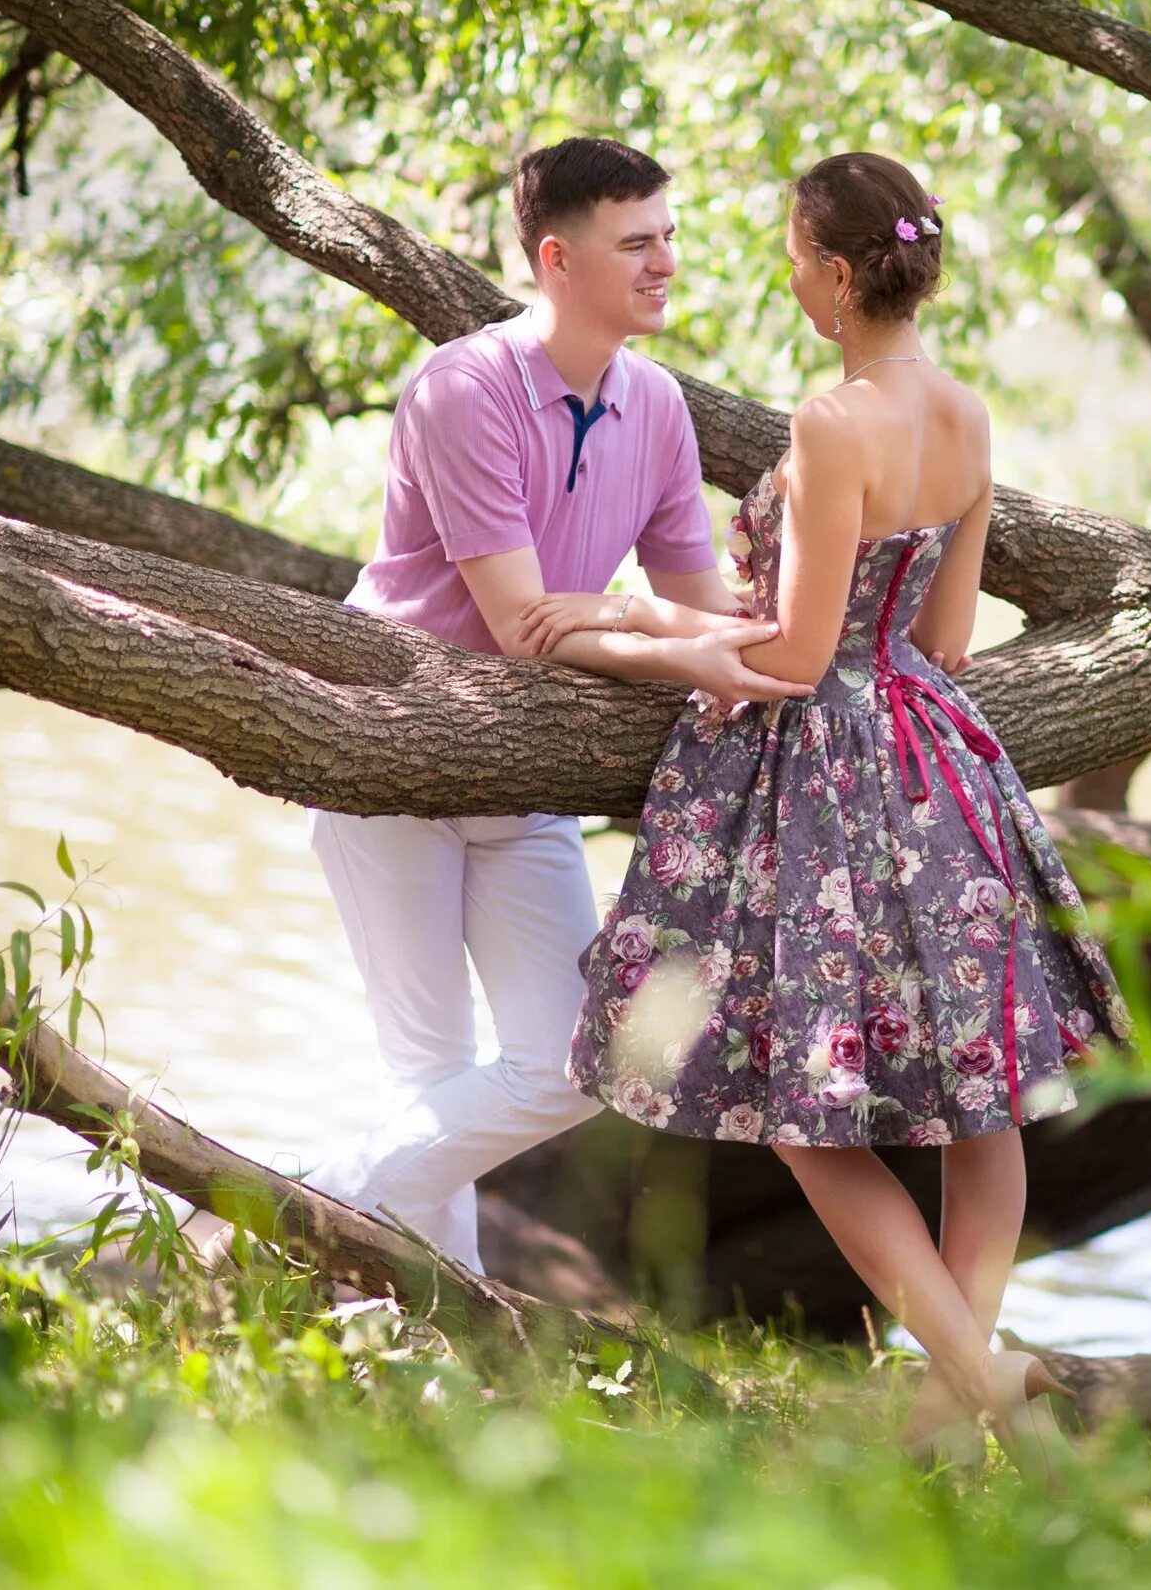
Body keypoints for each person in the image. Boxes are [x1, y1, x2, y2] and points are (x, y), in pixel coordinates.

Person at [552, 151, 1131, 1462]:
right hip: (942, 758)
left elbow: (799, 658)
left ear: (837, 270)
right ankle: (958, 1402)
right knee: (983, 1102)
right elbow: (949, 636)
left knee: (805, 1109)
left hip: (823, 774)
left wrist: (638, 612)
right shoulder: (968, 414)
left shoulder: (828, 423)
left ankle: (974, 1381)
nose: (788, 271)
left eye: (795, 250)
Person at [298, 138, 814, 1273]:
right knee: (427, 1070)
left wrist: (802, 620)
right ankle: (437, 1324)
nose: (666, 260)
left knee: (577, 1061)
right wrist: (686, 646)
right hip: (391, 747)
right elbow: (525, 619)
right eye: (638, 242)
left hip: (527, 774)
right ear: (555, 259)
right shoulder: (464, 388)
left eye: (668, 235)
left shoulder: (659, 404)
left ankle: (314, 1205)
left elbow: (698, 606)